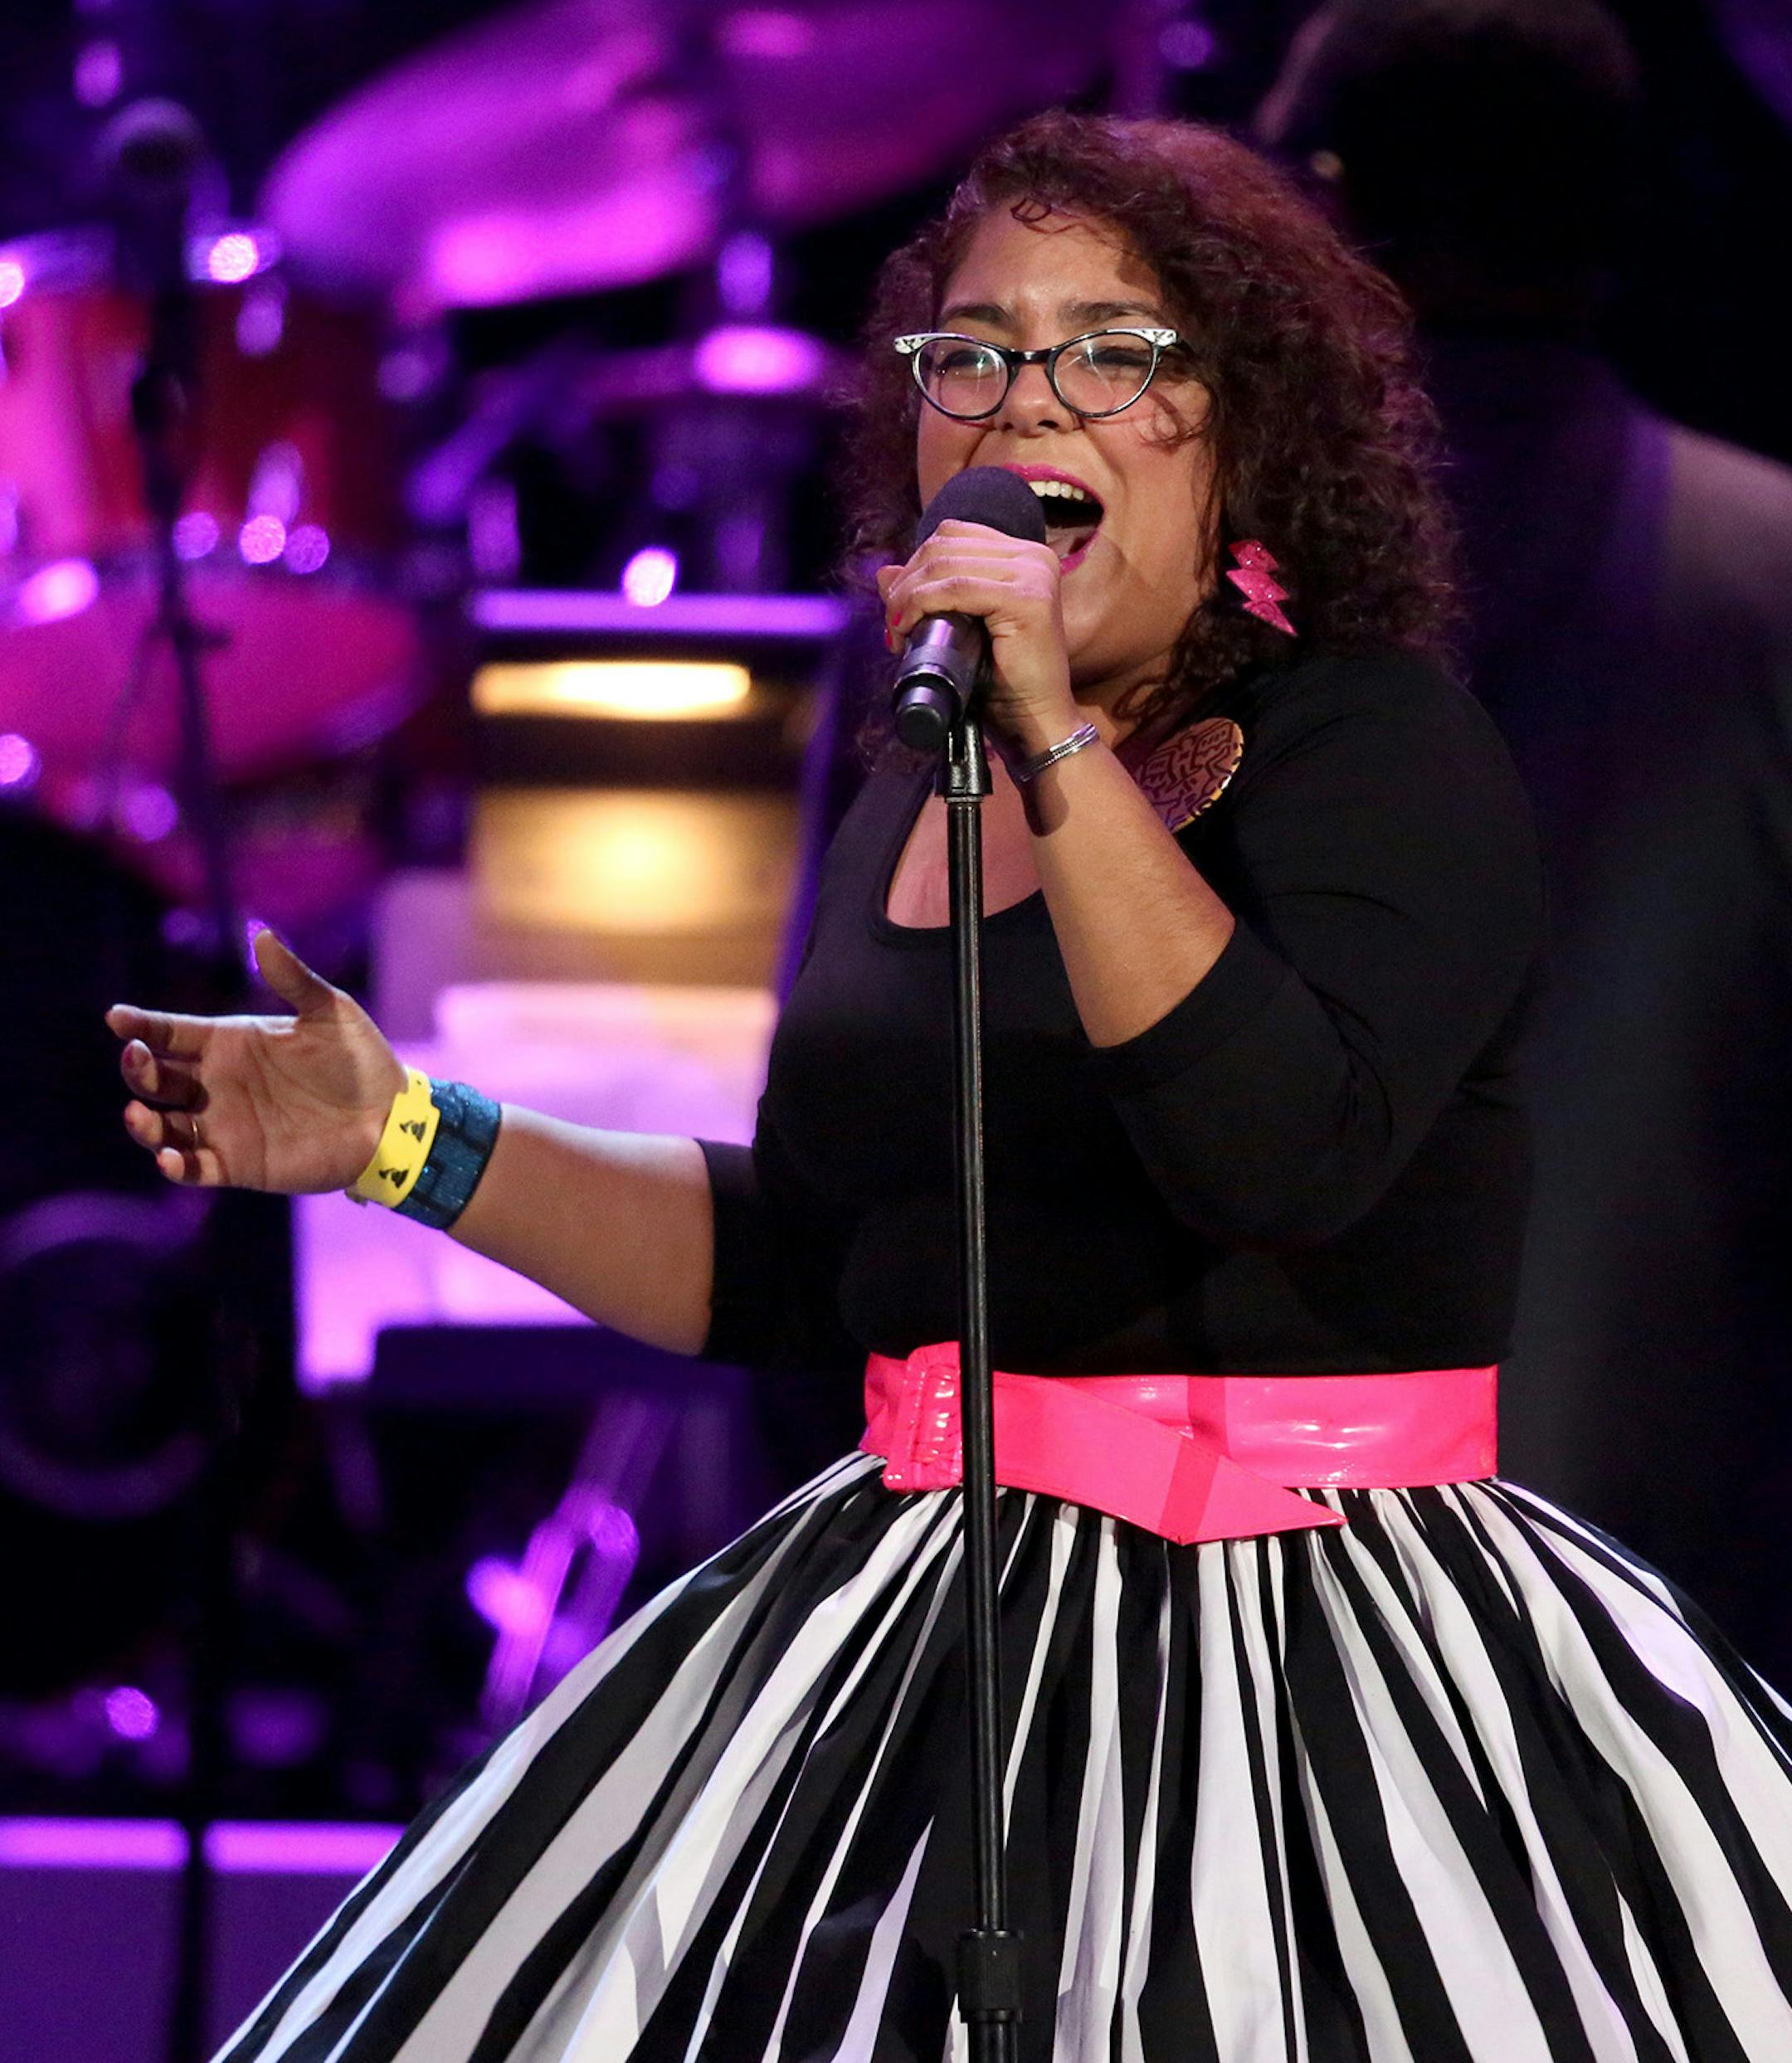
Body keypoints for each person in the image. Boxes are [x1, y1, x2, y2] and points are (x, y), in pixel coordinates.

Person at [106, 113, 1792, 2062]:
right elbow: (815, 1267)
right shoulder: (917, 768)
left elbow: (1275, 1150)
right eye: (973, 350)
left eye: (1112, 351)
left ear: (1238, 428)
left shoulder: (1376, 746)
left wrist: (1054, 732)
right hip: (923, 1627)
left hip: (1313, 1652)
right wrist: (405, 1137)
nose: (1024, 401)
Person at [1256, 0, 1792, 1688]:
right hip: (1689, 1668)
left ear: (1310, 213)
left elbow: (848, 1158)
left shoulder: (1050, 587)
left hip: (1165, 1673)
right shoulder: (1770, 582)